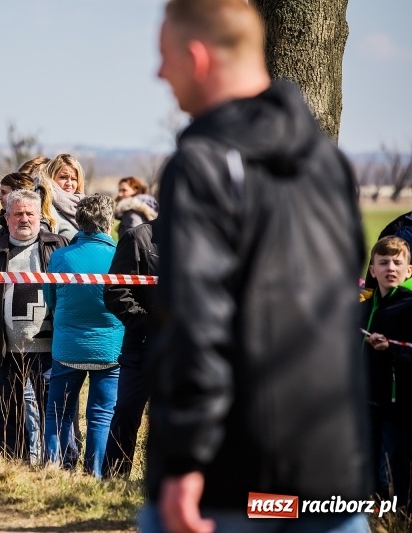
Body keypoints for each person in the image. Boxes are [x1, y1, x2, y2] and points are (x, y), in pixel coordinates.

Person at [143, 1, 370, 532]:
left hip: (232, 480)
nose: (159, 74)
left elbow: (197, 321)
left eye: (165, 57)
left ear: (197, 58)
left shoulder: (202, 163)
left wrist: (184, 462)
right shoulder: (327, 162)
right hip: (333, 478)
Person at [0, 189, 69, 461]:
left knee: (53, 410)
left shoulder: (58, 247)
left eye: (30, 213)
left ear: (40, 216)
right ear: (6, 218)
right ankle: (14, 464)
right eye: (17, 213)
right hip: (5, 348)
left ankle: (54, 465)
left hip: (49, 349)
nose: (24, 219)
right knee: (9, 412)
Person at [43, 194, 122, 478]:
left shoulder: (61, 257)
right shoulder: (118, 257)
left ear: (79, 220)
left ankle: (56, 468)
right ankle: (95, 473)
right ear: (109, 222)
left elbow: (50, 299)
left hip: (68, 346)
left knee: (58, 412)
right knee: (101, 415)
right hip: (110, 348)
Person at [102, 220, 159, 478]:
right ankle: (114, 479)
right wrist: (149, 323)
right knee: (126, 412)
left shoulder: (210, 236)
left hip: (190, 349)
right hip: (143, 346)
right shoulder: (138, 238)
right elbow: (116, 292)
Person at [362, 236, 412, 509]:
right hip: (366, 403)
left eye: (397, 262)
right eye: (383, 262)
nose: (390, 268)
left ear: (409, 271)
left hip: (398, 407)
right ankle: (371, 520)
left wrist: (391, 349)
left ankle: (396, 518)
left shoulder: (408, 305)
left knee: (390, 471)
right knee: (367, 469)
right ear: (372, 270)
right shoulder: (363, 305)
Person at [42, 154, 86, 240]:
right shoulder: (46, 207)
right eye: (63, 177)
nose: (69, 183)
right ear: (51, 177)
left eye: (74, 179)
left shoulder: (84, 207)